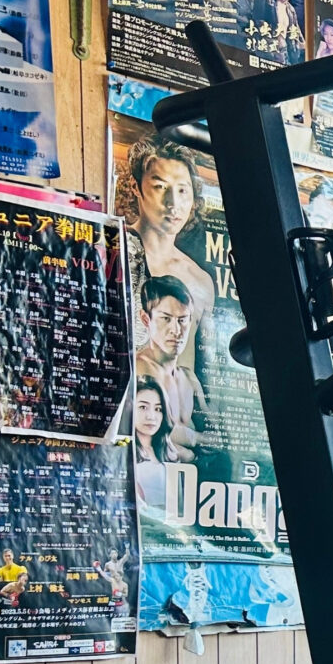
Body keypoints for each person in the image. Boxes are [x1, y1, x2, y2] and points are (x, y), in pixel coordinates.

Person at [125, 136, 215, 342]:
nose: (173, 203)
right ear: (135, 186)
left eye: (182, 190)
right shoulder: (112, 251)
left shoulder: (200, 281)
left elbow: (193, 359)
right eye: (160, 187)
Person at [135, 276, 207, 459]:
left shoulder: (189, 378)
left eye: (182, 320)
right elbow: (149, 430)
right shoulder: (138, 369)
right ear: (146, 319)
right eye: (166, 319)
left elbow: (214, 435)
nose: (176, 330)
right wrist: (194, 443)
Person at [132, 380, 180, 509]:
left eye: (158, 409)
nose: (151, 416)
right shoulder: (125, 452)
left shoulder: (168, 452)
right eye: (143, 407)